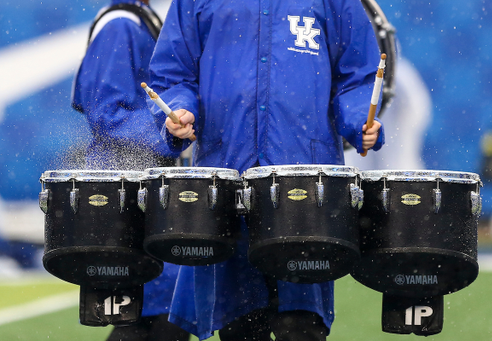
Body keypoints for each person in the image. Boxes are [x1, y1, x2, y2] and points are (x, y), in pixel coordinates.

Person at [147, 1, 384, 340]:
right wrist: (179, 111)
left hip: (306, 187)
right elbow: (172, 73)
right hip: (226, 180)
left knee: (301, 327)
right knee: (239, 326)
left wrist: (360, 118)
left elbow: (358, 74)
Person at [71, 1, 189, 340]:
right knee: (152, 321)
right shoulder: (121, 24)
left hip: (139, 192)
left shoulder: (133, 19)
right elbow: (106, 112)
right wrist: (169, 133)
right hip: (127, 196)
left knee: (157, 319)